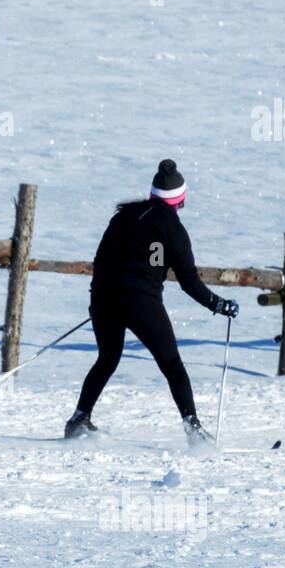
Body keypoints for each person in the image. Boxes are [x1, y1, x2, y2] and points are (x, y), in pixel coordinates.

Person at [65, 159, 238, 444]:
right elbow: (189, 282)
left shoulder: (124, 216)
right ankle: (193, 430)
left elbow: (108, 259)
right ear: (179, 200)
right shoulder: (172, 228)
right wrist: (219, 305)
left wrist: (109, 292)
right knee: (172, 364)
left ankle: (79, 418)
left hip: (104, 299)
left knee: (107, 358)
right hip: (140, 302)